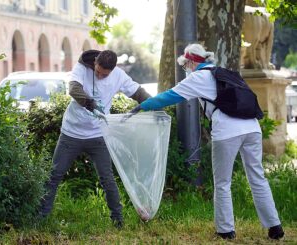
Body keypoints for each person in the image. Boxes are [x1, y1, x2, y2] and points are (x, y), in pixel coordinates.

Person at [128, 43, 284, 240]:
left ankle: (226, 230)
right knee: (258, 177)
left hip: (228, 131)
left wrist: (143, 105)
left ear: (192, 62)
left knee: (222, 182)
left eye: (185, 65)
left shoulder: (198, 77)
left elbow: (170, 96)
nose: (185, 69)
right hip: (252, 127)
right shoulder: (225, 72)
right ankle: (275, 227)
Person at [39, 49, 151, 228]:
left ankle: (118, 221)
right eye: (97, 71)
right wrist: (91, 104)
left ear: (112, 71)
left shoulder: (119, 76)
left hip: (98, 135)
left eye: (104, 75)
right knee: (54, 175)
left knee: (107, 178)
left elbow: (137, 92)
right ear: (95, 63)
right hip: (71, 133)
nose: (99, 76)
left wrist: (153, 103)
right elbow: (74, 88)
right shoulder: (82, 68)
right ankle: (41, 218)